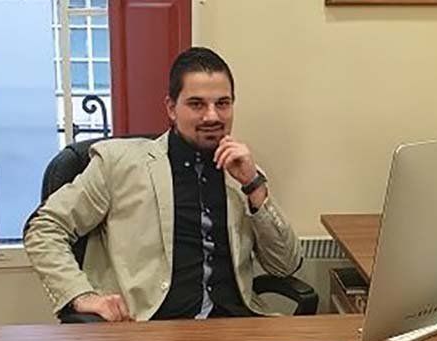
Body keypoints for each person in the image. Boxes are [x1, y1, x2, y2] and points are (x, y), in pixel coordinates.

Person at [24, 47, 301, 322]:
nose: (212, 116)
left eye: (223, 103)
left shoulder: (242, 173)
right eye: (197, 104)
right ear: (171, 108)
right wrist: (81, 295)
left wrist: (254, 185)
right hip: (151, 329)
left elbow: (285, 265)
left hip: (236, 326)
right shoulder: (119, 163)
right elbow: (45, 227)